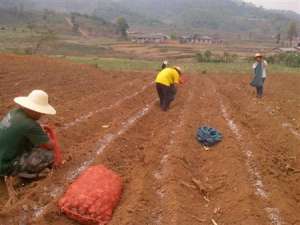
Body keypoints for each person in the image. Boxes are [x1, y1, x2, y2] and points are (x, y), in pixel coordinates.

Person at [0, 90, 56, 206]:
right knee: (48, 155)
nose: (42, 115)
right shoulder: (30, 125)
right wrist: (43, 133)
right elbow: (50, 145)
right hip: (5, 165)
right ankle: (21, 173)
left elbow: (20, 129)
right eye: (40, 112)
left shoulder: (14, 113)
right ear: (33, 110)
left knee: (28, 142)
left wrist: (37, 129)